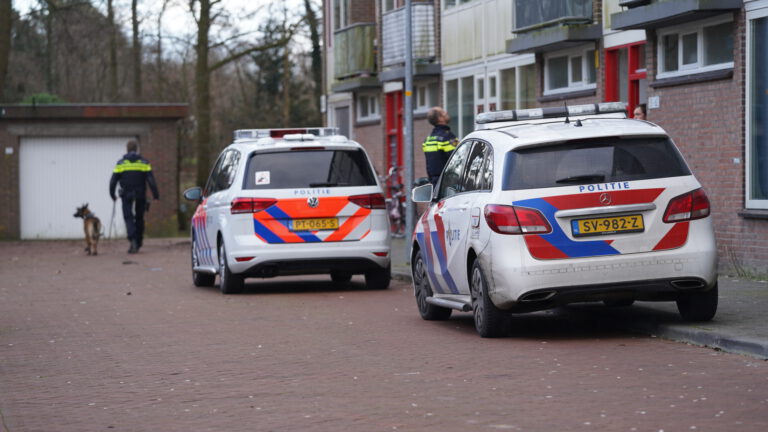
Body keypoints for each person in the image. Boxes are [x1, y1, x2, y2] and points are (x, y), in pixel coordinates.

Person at [109, 139, 159, 254]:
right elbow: (151, 180)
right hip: (140, 194)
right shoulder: (144, 163)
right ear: (136, 149)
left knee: (128, 217)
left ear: (127, 149)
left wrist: (112, 194)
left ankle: (133, 240)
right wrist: (155, 195)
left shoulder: (121, 163)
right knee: (139, 218)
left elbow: (113, 181)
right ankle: (139, 240)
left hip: (126, 194)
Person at [422, 106, 459, 185]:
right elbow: (457, 158)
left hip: (434, 183)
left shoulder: (428, 139)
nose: (446, 113)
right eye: (443, 112)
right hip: (448, 182)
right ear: (440, 118)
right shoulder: (447, 137)